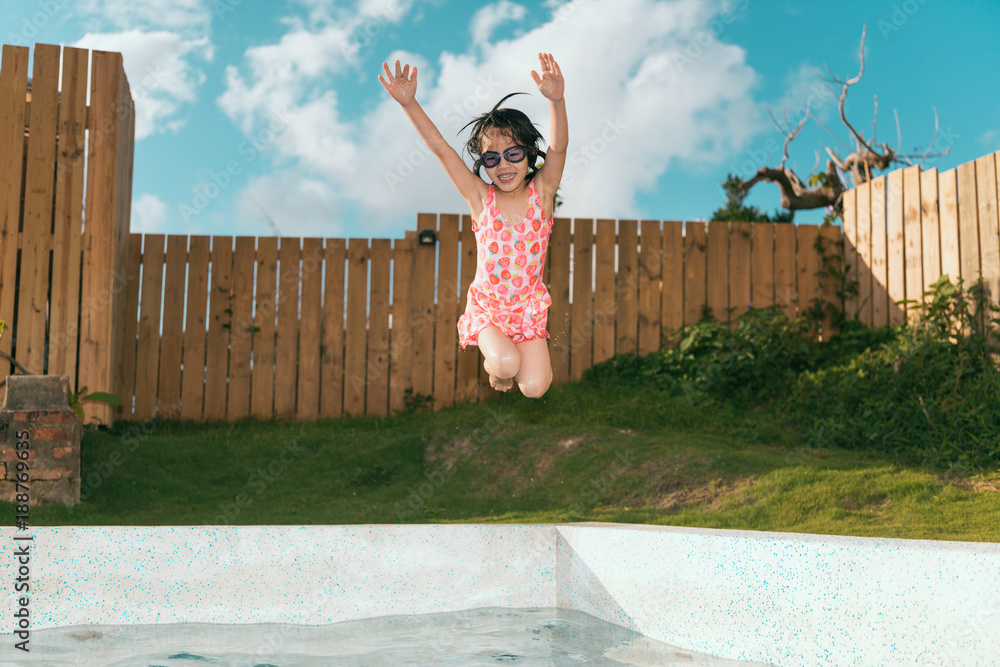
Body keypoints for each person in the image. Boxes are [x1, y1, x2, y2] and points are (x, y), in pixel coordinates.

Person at [380, 53, 567, 398]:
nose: (503, 165)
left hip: (527, 311)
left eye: (513, 153)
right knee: (507, 365)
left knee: (536, 389)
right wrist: (410, 105)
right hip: (490, 311)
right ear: (484, 164)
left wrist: (557, 102)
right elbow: (441, 150)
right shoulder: (482, 200)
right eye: (492, 159)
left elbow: (558, 150)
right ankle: (497, 373)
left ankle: (507, 369)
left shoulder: (543, 192)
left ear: (528, 154)